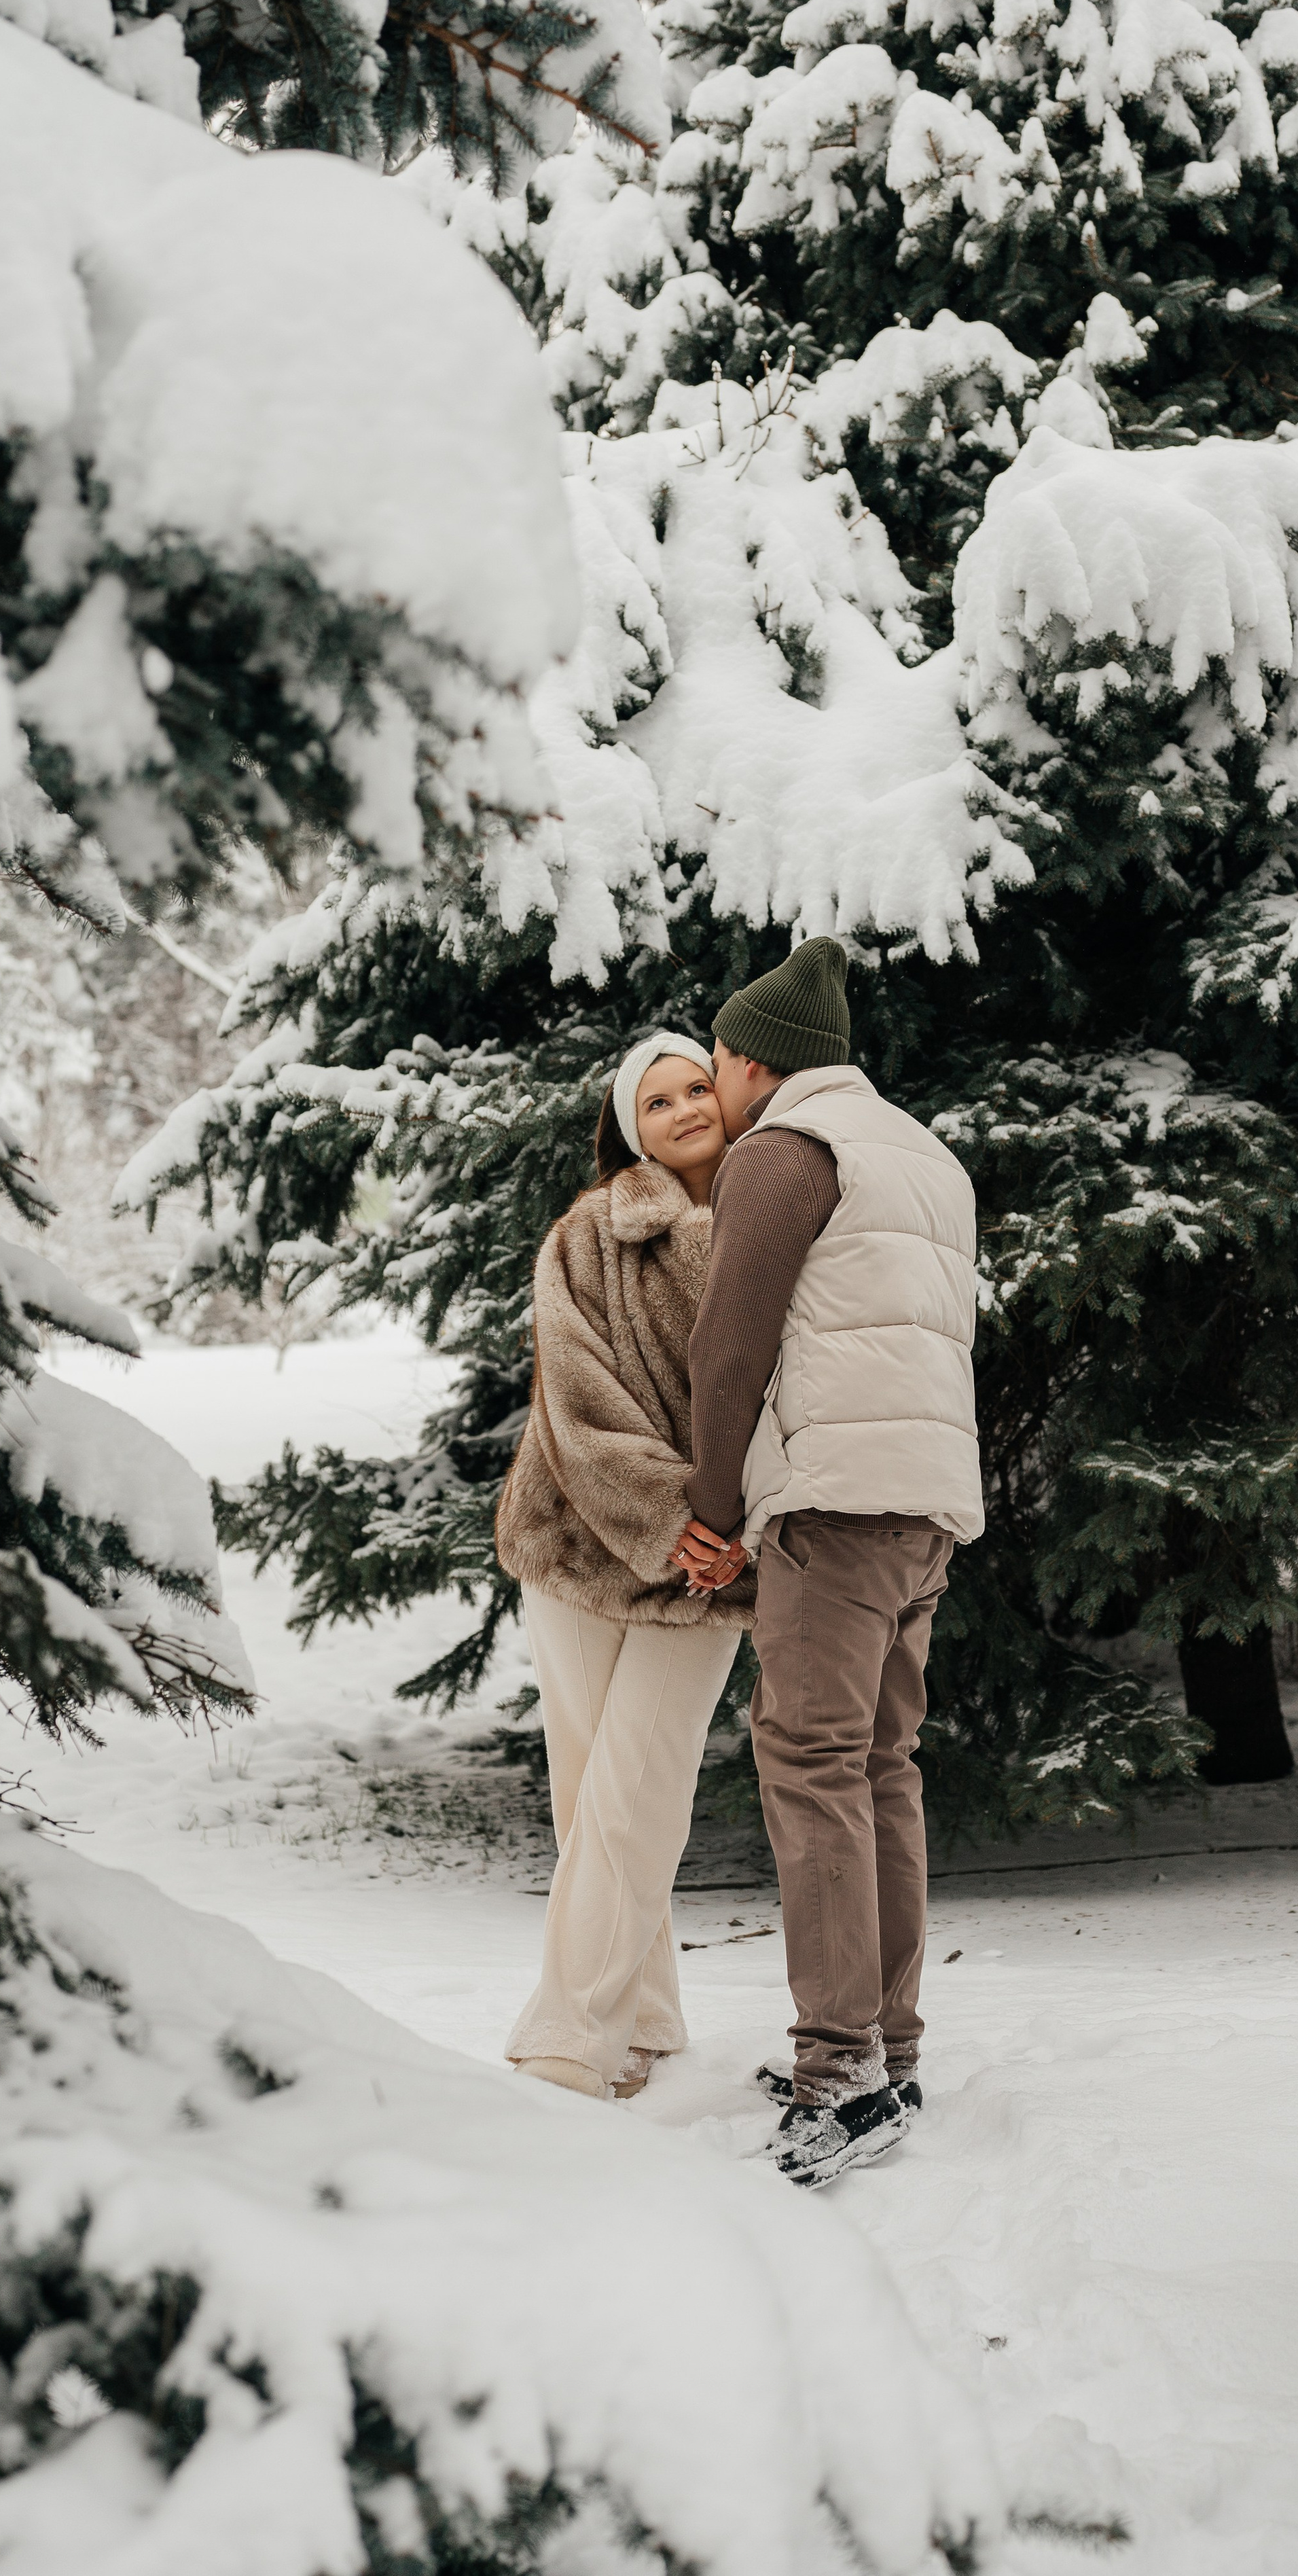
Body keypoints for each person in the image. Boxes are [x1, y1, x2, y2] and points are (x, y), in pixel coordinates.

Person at [669, 937, 984, 2187]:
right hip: (924, 1510)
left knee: (810, 1769)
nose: (712, 1091)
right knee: (881, 1769)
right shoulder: (925, 1154)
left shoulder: (785, 1154)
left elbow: (729, 1346)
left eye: (716, 1066)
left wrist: (711, 1510)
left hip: (833, 1511)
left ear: (755, 1062)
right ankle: (888, 2049)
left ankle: (838, 2072)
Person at [497, 1032, 755, 2103]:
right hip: (576, 1539)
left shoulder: (774, 1221)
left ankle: (569, 2036)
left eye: (700, 1086)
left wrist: (725, 1526)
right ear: (628, 1124)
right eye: (659, 1100)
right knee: (592, 1790)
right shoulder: (589, 1232)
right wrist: (669, 1517)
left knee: (638, 1786)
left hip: (715, 1560)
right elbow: (577, 1397)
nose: (688, 1108)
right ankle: (640, 2011)